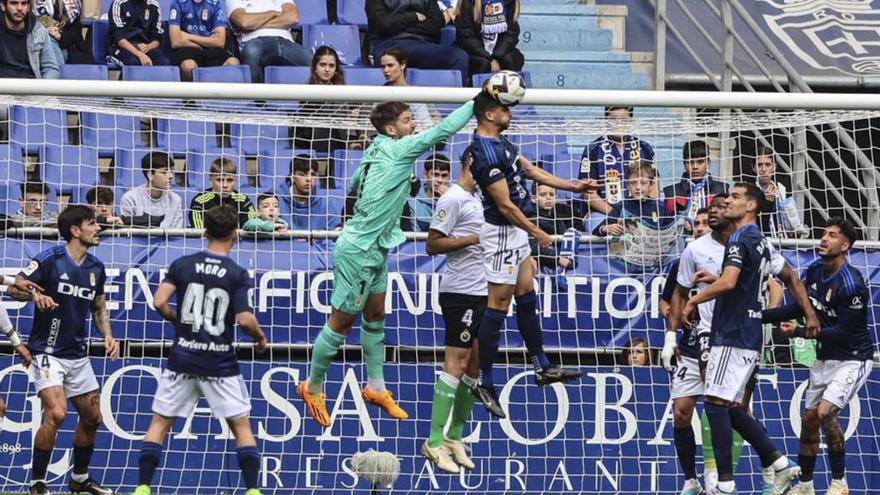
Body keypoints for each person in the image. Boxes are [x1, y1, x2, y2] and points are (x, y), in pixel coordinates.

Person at [297, 94, 478, 428]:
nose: (415, 126)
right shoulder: (399, 148)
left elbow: (354, 185)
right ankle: (313, 385)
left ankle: (376, 387)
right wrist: (475, 102)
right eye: (409, 121)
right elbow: (442, 132)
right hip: (359, 250)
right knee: (341, 323)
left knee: (376, 314)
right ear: (392, 129)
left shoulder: (377, 149)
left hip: (375, 247)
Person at [681, 183, 820, 495]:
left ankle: (725, 484)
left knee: (715, 404)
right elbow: (791, 278)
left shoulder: (741, 237)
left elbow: (730, 282)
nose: (727, 201)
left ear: (751, 207)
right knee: (729, 406)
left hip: (732, 334)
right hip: (749, 334)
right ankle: (779, 463)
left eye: (735, 197)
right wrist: (808, 314)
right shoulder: (761, 241)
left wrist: (694, 300)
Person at [467, 92, 594, 418]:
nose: (509, 112)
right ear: (489, 115)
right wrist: (537, 232)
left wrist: (572, 186)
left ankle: (542, 366)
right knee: (498, 305)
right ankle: (485, 380)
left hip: (517, 233)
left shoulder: (504, 143)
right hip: (501, 235)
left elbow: (531, 171)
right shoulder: (482, 153)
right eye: (503, 108)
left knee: (526, 291)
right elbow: (505, 205)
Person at [134, 205, 268, 495]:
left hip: (183, 357)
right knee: (241, 426)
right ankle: (253, 490)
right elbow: (244, 319)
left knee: (160, 423)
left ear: (204, 233)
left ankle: (143, 487)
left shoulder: (182, 264)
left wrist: (178, 319)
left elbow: (158, 301)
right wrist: (259, 337)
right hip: (219, 362)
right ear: (235, 235)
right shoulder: (236, 273)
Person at [7, 205, 119, 495]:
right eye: (93, 223)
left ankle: (79, 479)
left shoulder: (96, 268)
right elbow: (14, 288)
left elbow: (98, 307)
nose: (98, 228)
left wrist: (108, 335)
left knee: (93, 418)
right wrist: (34, 295)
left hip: (77, 355)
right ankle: (37, 483)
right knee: (56, 414)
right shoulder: (51, 258)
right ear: (75, 230)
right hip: (46, 351)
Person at [761, 218, 872, 495]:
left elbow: (843, 332)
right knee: (809, 421)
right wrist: (757, 316)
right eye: (823, 233)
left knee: (825, 413)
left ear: (845, 245)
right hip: (823, 359)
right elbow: (797, 308)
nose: (824, 238)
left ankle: (839, 482)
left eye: (832, 235)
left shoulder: (852, 284)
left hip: (853, 358)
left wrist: (799, 332)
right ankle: (806, 486)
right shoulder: (814, 270)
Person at [421, 148, 483, 474]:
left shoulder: (481, 198)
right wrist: (474, 238)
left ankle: (454, 436)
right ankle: (433, 441)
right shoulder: (452, 198)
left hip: (482, 290)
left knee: (474, 367)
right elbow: (432, 244)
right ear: (472, 164)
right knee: (456, 365)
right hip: (460, 292)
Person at [592, 161, 680, 271]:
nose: (638, 187)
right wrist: (606, 228)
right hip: (623, 266)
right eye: (633, 183)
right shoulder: (621, 207)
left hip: (653, 266)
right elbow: (596, 231)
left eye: (643, 183)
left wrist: (676, 232)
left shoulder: (660, 207)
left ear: (651, 185)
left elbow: (671, 230)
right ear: (627, 185)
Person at [366, 0, 469, 85]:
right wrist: (413, 17)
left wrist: (399, 26)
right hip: (389, 45)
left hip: (422, 46)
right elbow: (382, 25)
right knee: (386, 59)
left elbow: (436, 24)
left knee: (459, 57)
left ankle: (456, 109)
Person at [578, 107, 655, 220]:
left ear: (631, 121)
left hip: (640, 213)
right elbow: (588, 193)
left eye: (624, 120)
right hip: (602, 213)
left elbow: (654, 186)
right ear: (605, 121)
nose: (619, 124)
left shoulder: (644, 148)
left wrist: (645, 214)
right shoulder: (593, 149)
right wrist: (617, 215)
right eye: (613, 119)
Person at [293, 46, 365, 154]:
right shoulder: (307, 91)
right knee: (340, 101)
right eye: (323, 65)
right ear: (315, 68)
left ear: (336, 69)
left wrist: (354, 112)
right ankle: (351, 142)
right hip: (317, 136)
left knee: (364, 104)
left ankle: (363, 138)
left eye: (331, 66)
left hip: (339, 134)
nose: (327, 70)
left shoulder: (343, 90)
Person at [225, 0, 310, 84]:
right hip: (255, 42)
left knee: (315, 61)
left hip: (285, 42)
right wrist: (272, 13)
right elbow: (245, 22)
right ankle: (256, 97)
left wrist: (256, 24)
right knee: (252, 51)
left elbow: (293, 18)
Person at [167, 0, 238, 81]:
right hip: (187, 49)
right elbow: (176, 42)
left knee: (233, 63)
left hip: (211, 50)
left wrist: (188, 36)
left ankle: (217, 93)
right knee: (189, 66)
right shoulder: (178, 3)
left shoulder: (214, 3)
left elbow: (220, 42)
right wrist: (210, 41)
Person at [453, 0, 523, 78]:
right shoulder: (468, 2)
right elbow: (466, 35)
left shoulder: (509, 2)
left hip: (499, 52)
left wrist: (496, 57)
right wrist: (489, 59)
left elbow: (511, 34)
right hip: (473, 52)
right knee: (483, 63)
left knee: (510, 59)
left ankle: (511, 88)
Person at [663, 140, 729, 221]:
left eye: (700, 162)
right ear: (684, 164)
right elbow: (666, 223)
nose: (695, 167)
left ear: (708, 162)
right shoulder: (671, 192)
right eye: (690, 162)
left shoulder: (722, 190)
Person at [752, 145, 808, 239]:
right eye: (760, 165)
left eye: (768, 165)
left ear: (774, 167)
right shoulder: (750, 190)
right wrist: (768, 203)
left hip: (783, 242)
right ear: (753, 168)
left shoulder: (782, 188)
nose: (764, 170)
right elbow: (755, 225)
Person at [273, 155, 342, 231]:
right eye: (302, 175)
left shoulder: (325, 202)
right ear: (292, 177)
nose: (309, 179)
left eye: (312, 175)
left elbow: (334, 230)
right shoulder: (275, 199)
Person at [120, 151, 185, 229]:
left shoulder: (176, 200)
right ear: (150, 175)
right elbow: (126, 233)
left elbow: (176, 236)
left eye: (171, 171)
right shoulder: (130, 198)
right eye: (164, 172)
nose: (171, 176)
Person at [0, 0, 63, 78]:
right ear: (3, 6)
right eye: (14, 3)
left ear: (29, 7)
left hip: (32, 86)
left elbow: (50, 68)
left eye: (24, 3)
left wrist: (43, 88)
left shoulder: (39, 31)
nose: (19, 8)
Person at [380, 46, 439, 129]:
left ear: (402, 65)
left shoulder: (419, 96)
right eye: (383, 66)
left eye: (390, 65)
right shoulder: (375, 96)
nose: (385, 70)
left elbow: (434, 124)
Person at [189, 157, 256, 228]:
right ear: (211, 180)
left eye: (229, 180)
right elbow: (200, 234)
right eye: (220, 180)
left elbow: (251, 230)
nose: (225, 185)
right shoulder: (199, 202)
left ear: (235, 180)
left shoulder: (244, 201)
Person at [529, 182, 578, 274]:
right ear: (533, 198)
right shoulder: (531, 219)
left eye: (551, 194)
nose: (548, 198)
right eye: (543, 195)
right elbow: (532, 248)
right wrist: (558, 259)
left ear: (556, 198)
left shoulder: (558, 220)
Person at [107, 0, 169, 66]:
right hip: (122, 47)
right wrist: (139, 54)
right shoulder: (119, 3)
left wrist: (148, 47)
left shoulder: (154, 5)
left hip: (145, 47)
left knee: (164, 62)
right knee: (132, 62)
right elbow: (118, 37)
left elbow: (157, 39)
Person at [87, 186, 164, 228]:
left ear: (113, 206)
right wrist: (106, 220)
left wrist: (122, 221)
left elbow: (154, 221)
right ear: (90, 207)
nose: (104, 209)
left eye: (107, 204)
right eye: (98, 204)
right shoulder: (83, 225)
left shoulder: (121, 220)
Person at [410, 153, 450, 232]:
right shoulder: (413, 203)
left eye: (444, 175)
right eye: (435, 174)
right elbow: (415, 239)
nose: (440, 180)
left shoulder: (457, 197)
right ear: (425, 175)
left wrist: (448, 201)